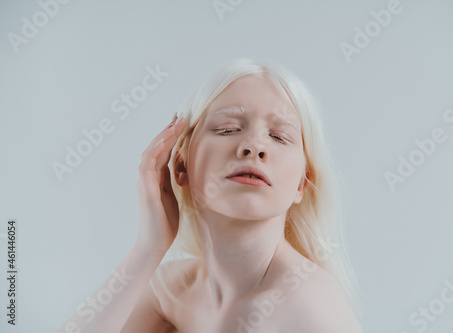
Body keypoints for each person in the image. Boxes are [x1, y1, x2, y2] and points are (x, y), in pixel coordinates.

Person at [58, 58, 364, 333]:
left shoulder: (311, 308)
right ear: (180, 164)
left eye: (279, 136)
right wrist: (148, 248)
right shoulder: (170, 289)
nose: (254, 146)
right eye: (228, 129)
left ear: (301, 184)